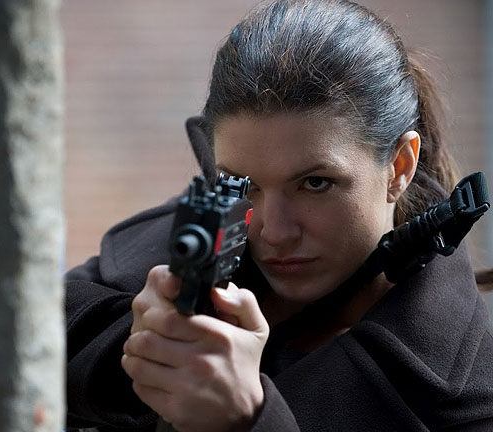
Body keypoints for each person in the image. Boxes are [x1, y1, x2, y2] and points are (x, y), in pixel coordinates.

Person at [65, 0, 493, 431]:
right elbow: (38, 323)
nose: (273, 232)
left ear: (399, 167)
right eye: (242, 184)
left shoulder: (468, 396)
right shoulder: (193, 238)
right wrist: (139, 348)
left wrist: (247, 419)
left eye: (316, 183)